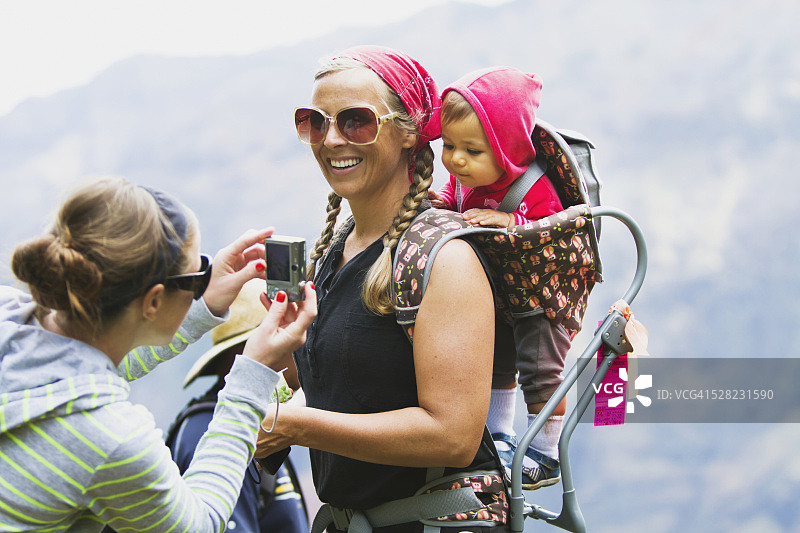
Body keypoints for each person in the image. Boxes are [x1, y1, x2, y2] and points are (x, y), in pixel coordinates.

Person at [256, 45, 506, 533]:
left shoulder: (444, 259)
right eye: (314, 121)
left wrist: (293, 426)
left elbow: (451, 435)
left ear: (409, 129)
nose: (330, 140)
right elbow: (355, 391)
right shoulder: (335, 252)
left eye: (355, 121)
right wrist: (286, 355)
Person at [0, 176, 316, 532]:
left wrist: (203, 301)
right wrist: (253, 376)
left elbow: (95, 360)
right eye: (198, 275)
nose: (203, 282)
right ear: (152, 301)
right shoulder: (110, 438)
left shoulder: (11, 318)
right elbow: (199, 525)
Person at [427, 67, 570, 490]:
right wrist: (441, 200)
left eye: (472, 150)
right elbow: (456, 198)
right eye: (449, 145)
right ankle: (500, 438)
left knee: (540, 370)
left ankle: (545, 455)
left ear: (507, 150)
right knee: (497, 362)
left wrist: (509, 219)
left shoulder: (533, 186)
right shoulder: (465, 178)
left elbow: (553, 225)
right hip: (503, 294)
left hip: (543, 296)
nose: (455, 160)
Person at [169, 279, 308, 533]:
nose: (303, 346)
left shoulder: (265, 423)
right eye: (290, 335)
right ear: (255, 347)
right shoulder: (217, 434)